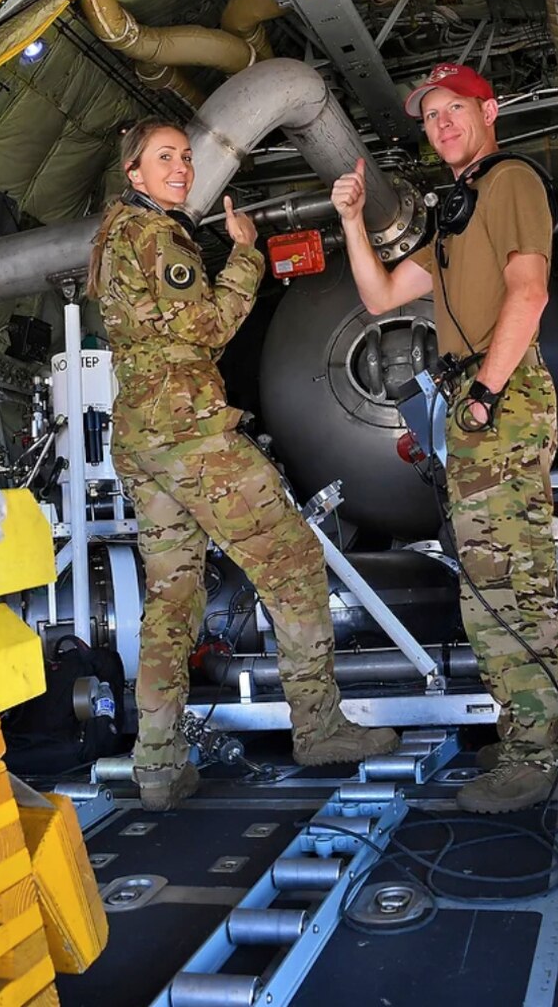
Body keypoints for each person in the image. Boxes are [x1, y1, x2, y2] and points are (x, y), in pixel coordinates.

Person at [87, 118, 400, 811]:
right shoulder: (159, 236)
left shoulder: (111, 239)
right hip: (191, 435)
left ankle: (159, 763)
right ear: (134, 174)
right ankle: (318, 728)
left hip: (142, 438)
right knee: (291, 562)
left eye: (184, 157)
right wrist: (246, 254)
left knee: (172, 598)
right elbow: (207, 328)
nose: (180, 167)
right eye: (162, 158)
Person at [331, 63, 558, 814]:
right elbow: (380, 295)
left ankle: (541, 754)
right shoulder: (455, 211)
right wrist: (349, 221)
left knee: (511, 582)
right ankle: (534, 737)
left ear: (489, 110)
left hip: (496, 396)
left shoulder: (509, 183)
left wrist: (482, 397)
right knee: (490, 584)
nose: (440, 124)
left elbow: (529, 291)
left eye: (454, 110)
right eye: (430, 116)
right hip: (476, 398)